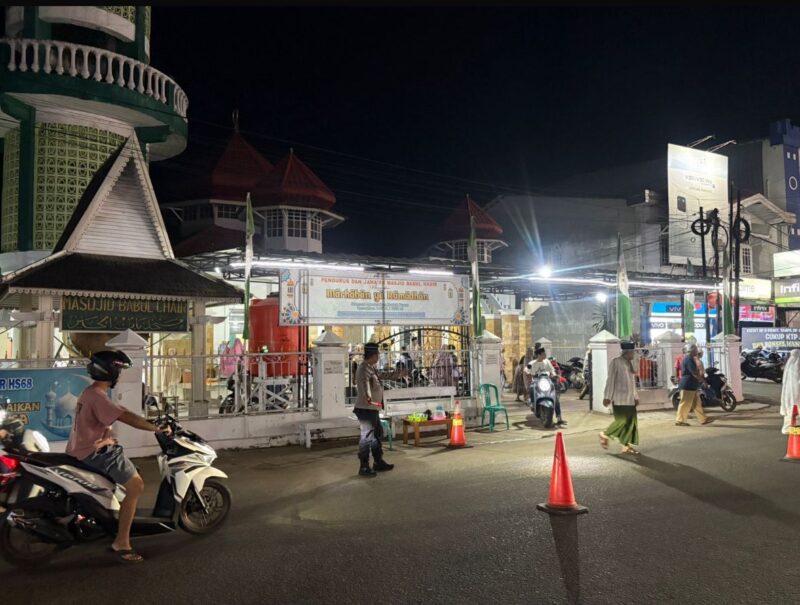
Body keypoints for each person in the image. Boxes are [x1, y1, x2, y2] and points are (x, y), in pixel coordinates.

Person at [66, 350, 171, 563]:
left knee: (128, 477)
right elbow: (125, 417)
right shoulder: (98, 396)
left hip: (81, 449)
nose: (119, 375)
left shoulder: (91, 392)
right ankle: (122, 541)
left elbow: (119, 410)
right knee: (136, 486)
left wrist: (144, 419)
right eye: (118, 370)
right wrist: (156, 429)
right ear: (111, 371)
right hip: (97, 453)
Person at [354, 342, 406, 477]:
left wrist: (398, 374)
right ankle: (364, 466)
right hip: (366, 408)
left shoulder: (370, 368)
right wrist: (370, 399)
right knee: (366, 437)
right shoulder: (364, 369)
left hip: (372, 409)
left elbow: (382, 375)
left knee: (377, 435)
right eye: (378, 354)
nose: (379, 356)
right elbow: (364, 386)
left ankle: (378, 462)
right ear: (374, 355)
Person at [599, 342, 640, 454]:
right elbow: (610, 380)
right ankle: (605, 434)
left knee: (630, 423)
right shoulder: (616, 362)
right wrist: (607, 396)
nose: (634, 354)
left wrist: (636, 396)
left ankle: (626, 446)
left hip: (630, 398)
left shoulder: (629, 364)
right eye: (633, 352)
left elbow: (633, 383)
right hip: (619, 398)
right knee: (622, 421)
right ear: (628, 352)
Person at [675, 344, 715, 427]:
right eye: (696, 350)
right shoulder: (689, 359)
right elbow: (694, 373)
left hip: (691, 385)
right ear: (692, 351)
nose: (697, 351)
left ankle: (703, 419)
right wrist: (704, 381)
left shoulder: (689, 358)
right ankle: (680, 420)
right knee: (685, 403)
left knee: (697, 403)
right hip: (688, 384)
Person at [527, 347, 567, 425]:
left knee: (555, 398)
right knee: (531, 387)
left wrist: (555, 375)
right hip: (536, 381)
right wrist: (528, 372)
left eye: (545, 353)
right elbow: (527, 369)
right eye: (543, 354)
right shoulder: (532, 363)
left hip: (547, 380)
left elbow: (552, 370)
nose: (545, 355)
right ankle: (532, 402)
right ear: (538, 355)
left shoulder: (547, 362)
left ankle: (559, 417)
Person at [780, 349, 800, 434]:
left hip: (788, 394)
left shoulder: (790, 364)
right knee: (795, 411)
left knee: (791, 412)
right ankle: (794, 430)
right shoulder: (796, 365)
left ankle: (790, 429)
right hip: (794, 393)